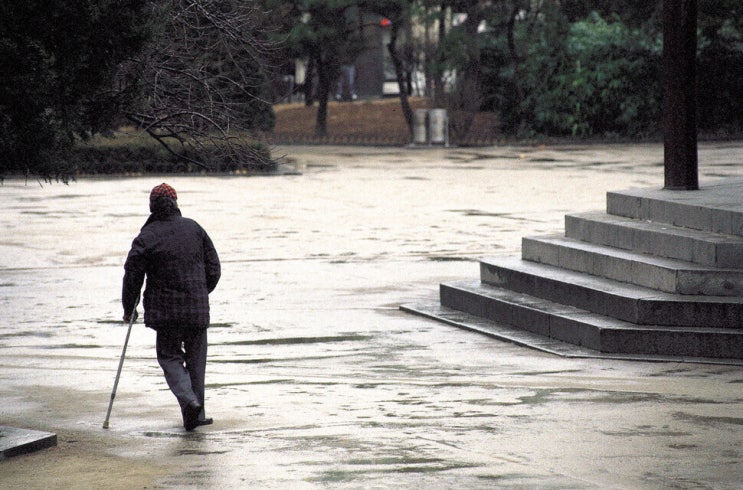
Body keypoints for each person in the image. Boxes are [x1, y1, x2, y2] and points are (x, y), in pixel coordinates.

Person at [122, 183, 221, 431]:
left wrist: (129, 307)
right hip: (196, 310)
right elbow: (214, 268)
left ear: (152, 207)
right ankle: (195, 415)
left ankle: (189, 402)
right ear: (175, 204)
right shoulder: (195, 228)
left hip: (165, 312)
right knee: (197, 362)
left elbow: (132, 274)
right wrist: (199, 292)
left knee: (169, 357)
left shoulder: (147, 236)